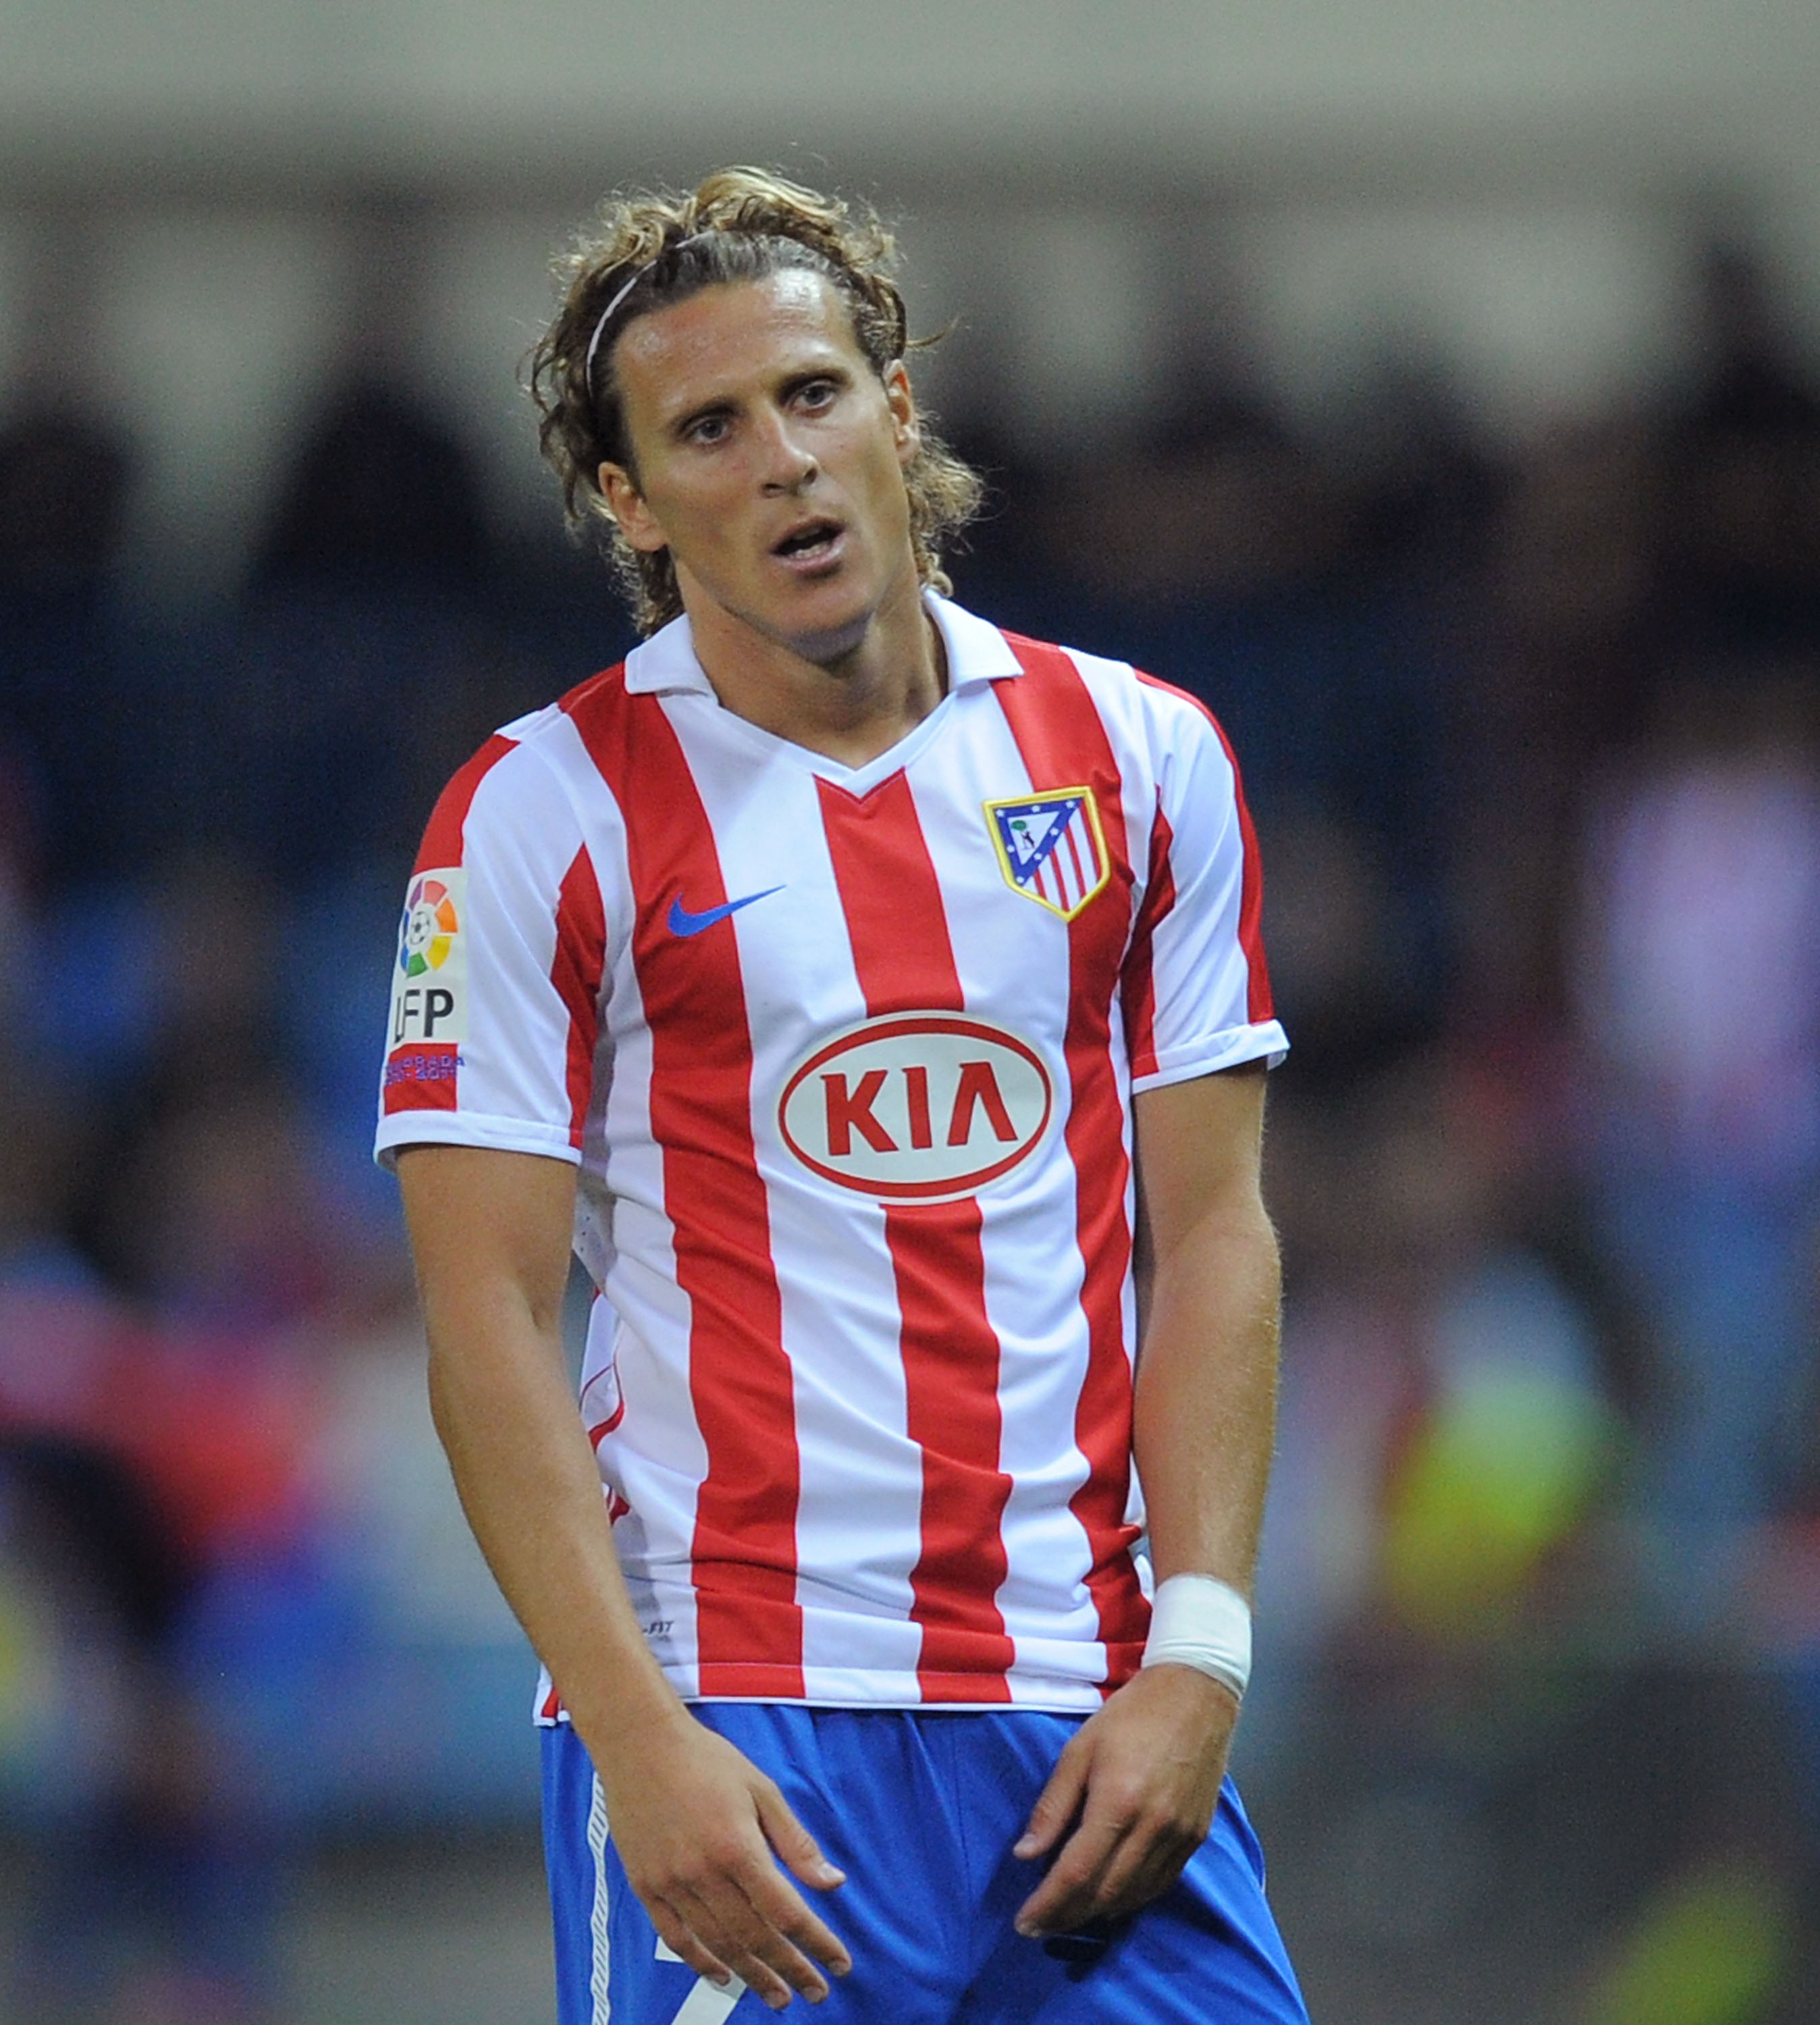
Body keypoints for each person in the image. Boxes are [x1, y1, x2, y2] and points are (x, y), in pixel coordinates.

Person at [377, 167, 1308, 2024]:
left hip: (1087, 1714)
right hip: (738, 1715)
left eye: (812, 395)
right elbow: (482, 1316)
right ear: (629, 501)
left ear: (895, 404)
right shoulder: (537, 813)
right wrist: (635, 1736)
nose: (783, 460)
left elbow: (1214, 1232)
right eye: (707, 429)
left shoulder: (1140, 756)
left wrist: (1199, 1653)